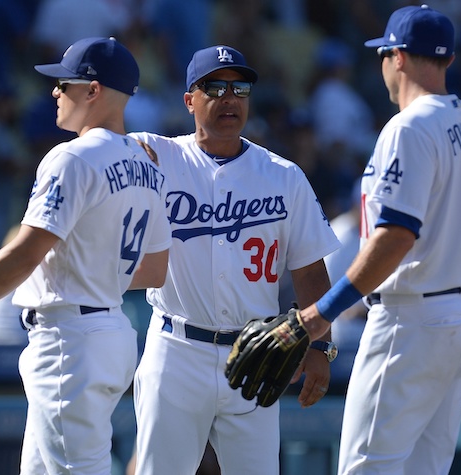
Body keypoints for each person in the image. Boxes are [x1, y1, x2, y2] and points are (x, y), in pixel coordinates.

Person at [0, 37, 172, 475]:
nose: (55, 92)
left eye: (65, 83)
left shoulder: (71, 157)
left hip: (69, 340)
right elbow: (154, 269)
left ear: (93, 90)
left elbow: (24, 255)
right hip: (109, 330)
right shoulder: (148, 165)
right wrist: (92, 270)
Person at [292, 5, 461, 474]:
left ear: (398, 57)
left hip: (414, 317)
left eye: (384, 54)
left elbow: (397, 235)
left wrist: (325, 311)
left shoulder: (409, 126)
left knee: (366, 468)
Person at [129, 45, 341, 475]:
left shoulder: (283, 176)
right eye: (215, 87)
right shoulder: (159, 156)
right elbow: (105, 146)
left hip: (254, 355)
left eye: (239, 87)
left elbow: (311, 270)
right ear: (189, 99)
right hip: (176, 349)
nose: (229, 98)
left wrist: (319, 345)